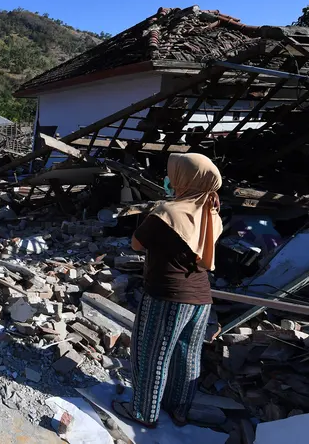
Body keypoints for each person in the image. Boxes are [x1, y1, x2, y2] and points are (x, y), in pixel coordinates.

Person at [113, 153, 223, 428]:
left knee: (151, 354)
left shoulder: (168, 213)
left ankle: (143, 413)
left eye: (175, 174)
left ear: (184, 179)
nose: (170, 179)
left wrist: (156, 210)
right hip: (201, 297)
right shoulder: (211, 213)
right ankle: (179, 409)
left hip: (167, 296)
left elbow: (137, 245)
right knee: (188, 355)